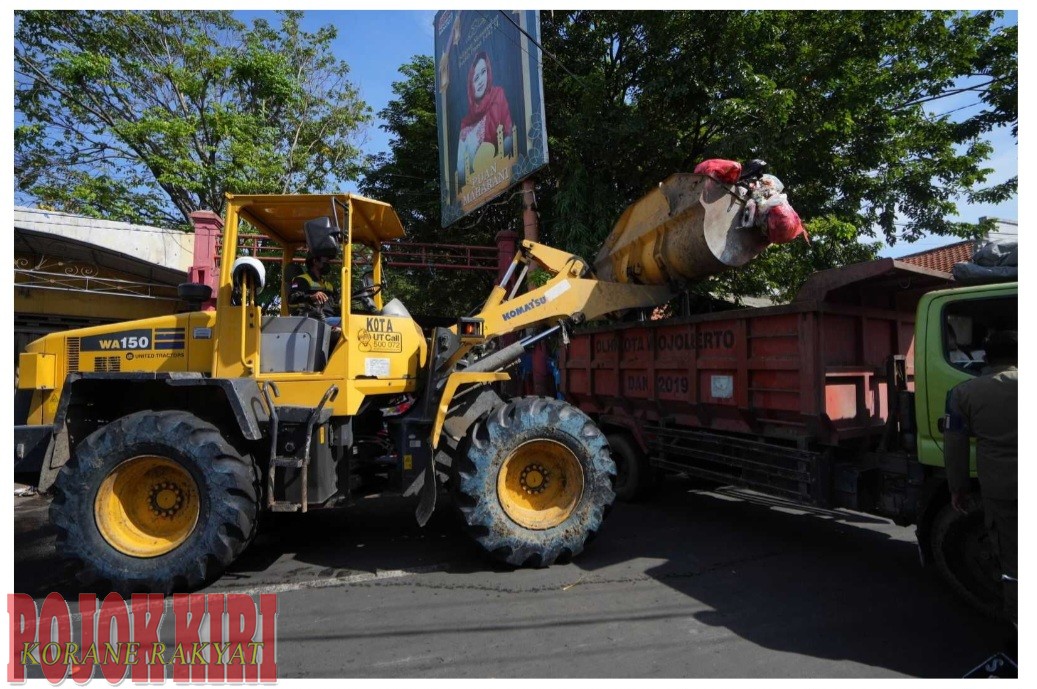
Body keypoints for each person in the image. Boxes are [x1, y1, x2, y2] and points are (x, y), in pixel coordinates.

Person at [944, 329, 1018, 626]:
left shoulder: (963, 393)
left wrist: (958, 488)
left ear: (986, 357)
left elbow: (955, 446)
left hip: (1002, 489)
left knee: (1014, 563)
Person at [456, 51, 514, 187]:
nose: (481, 80)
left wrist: (500, 163)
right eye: (476, 78)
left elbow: (509, 135)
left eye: (483, 72)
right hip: (476, 188)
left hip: (504, 174)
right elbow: (461, 171)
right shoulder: (465, 127)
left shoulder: (498, 95)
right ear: (470, 85)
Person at [289, 255, 339, 321]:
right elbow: (292, 299)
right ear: (315, 261)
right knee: (345, 322)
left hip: (331, 318)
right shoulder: (302, 280)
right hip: (314, 319)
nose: (328, 264)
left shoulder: (328, 285)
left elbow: (337, 302)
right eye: (326, 261)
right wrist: (312, 297)